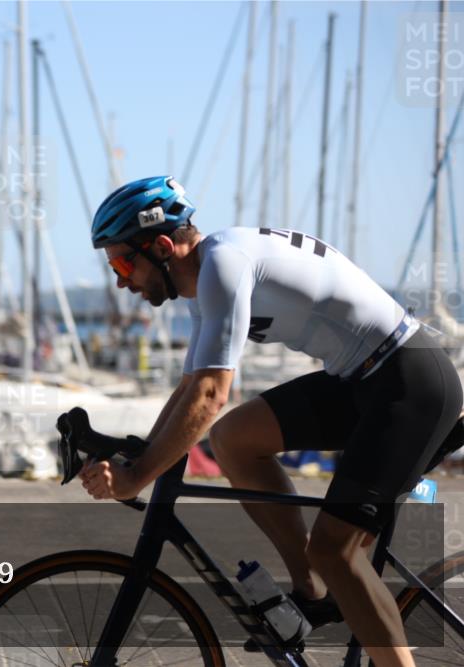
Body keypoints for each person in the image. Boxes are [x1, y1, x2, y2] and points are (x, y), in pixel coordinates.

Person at [77, 175, 463, 667]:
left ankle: (331, 575)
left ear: (162, 246)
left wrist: (137, 478)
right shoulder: (201, 284)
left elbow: (213, 392)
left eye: (121, 261)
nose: (118, 280)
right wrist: (139, 453)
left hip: (410, 383)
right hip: (364, 379)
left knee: (336, 550)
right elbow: (190, 389)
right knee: (234, 438)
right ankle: (315, 591)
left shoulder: (224, 264)